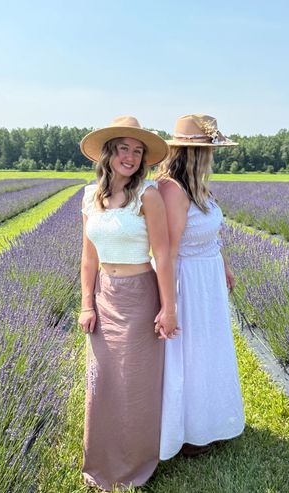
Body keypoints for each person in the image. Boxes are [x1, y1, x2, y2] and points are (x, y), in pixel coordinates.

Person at [78, 116, 178, 491]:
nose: (131, 157)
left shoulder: (147, 195)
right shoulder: (89, 196)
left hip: (139, 295)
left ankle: (135, 465)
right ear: (108, 153)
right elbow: (88, 258)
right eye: (124, 148)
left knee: (135, 383)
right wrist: (86, 304)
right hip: (105, 296)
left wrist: (168, 308)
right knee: (101, 381)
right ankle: (101, 461)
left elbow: (163, 256)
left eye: (138, 151)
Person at [156, 114, 245, 460]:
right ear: (191, 153)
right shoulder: (173, 190)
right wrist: (170, 304)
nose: (212, 156)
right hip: (186, 281)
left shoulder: (199, 185)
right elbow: (168, 251)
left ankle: (208, 422)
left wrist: (223, 267)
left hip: (206, 278)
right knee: (188, 355)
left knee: (208, 351)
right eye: (209, 150)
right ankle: (189, 431)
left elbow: (211, 236)